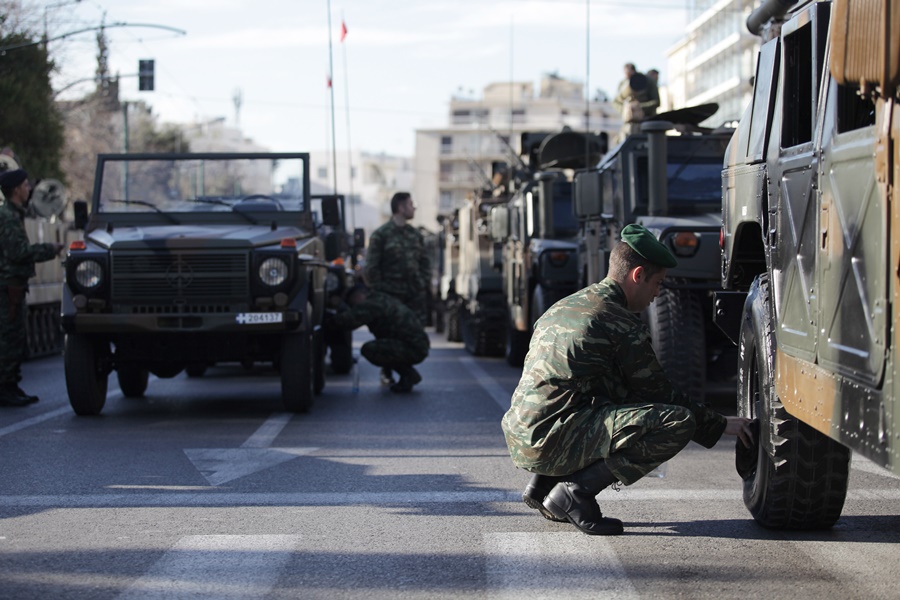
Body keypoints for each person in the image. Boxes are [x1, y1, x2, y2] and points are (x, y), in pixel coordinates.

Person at [501, 224, 752, 535]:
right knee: (676, 422)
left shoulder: (566, 305)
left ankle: (543, 485)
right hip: (552, 438)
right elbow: (659, 393)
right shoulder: (617, 321)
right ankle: (575, 491)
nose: (657, 293)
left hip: (522, 434)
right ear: (637, 276)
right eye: (658, 283)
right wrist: (718, 423)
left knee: (609, 393)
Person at [0, 169, 65, 407]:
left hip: (13, 286)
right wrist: (49, 248)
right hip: (8, 288)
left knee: (15, 337)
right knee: (9, 338)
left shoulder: (13, 215)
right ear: (16, 190)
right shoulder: (7, 217)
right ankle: (5, 386)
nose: (29, 189)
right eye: (26, 185)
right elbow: (18, 253)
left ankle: (10, 385)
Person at [364, 191, 430, 385]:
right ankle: (391, 370)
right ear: (400, 207)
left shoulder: (415, 235)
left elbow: (425, 263)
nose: (414, 207)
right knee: (388, 336)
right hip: (390, 297)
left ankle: (405, 369)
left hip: (412, 297)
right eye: (411, 204)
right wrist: (381, 293)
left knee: (413, 337)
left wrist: (421, 283)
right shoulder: (381, 235)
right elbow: (371, 267)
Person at [326, 284, 429, 393]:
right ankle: (405, 374)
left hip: (412, 348)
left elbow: (347, 321)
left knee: (369, 349)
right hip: (414, 345)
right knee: (384, 346)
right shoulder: (379, 298)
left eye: (352, 303)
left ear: (358, 297)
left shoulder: (371, 304)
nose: (353, 307)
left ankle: (408, 374)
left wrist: (331, 314)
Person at [612, 63, 660, 141]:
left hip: (646, 121)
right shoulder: (623, 84)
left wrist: (639, 107)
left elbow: (656, 102)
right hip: (628, 124)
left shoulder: (648, 82)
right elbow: (615, 102)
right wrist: (625, 110)